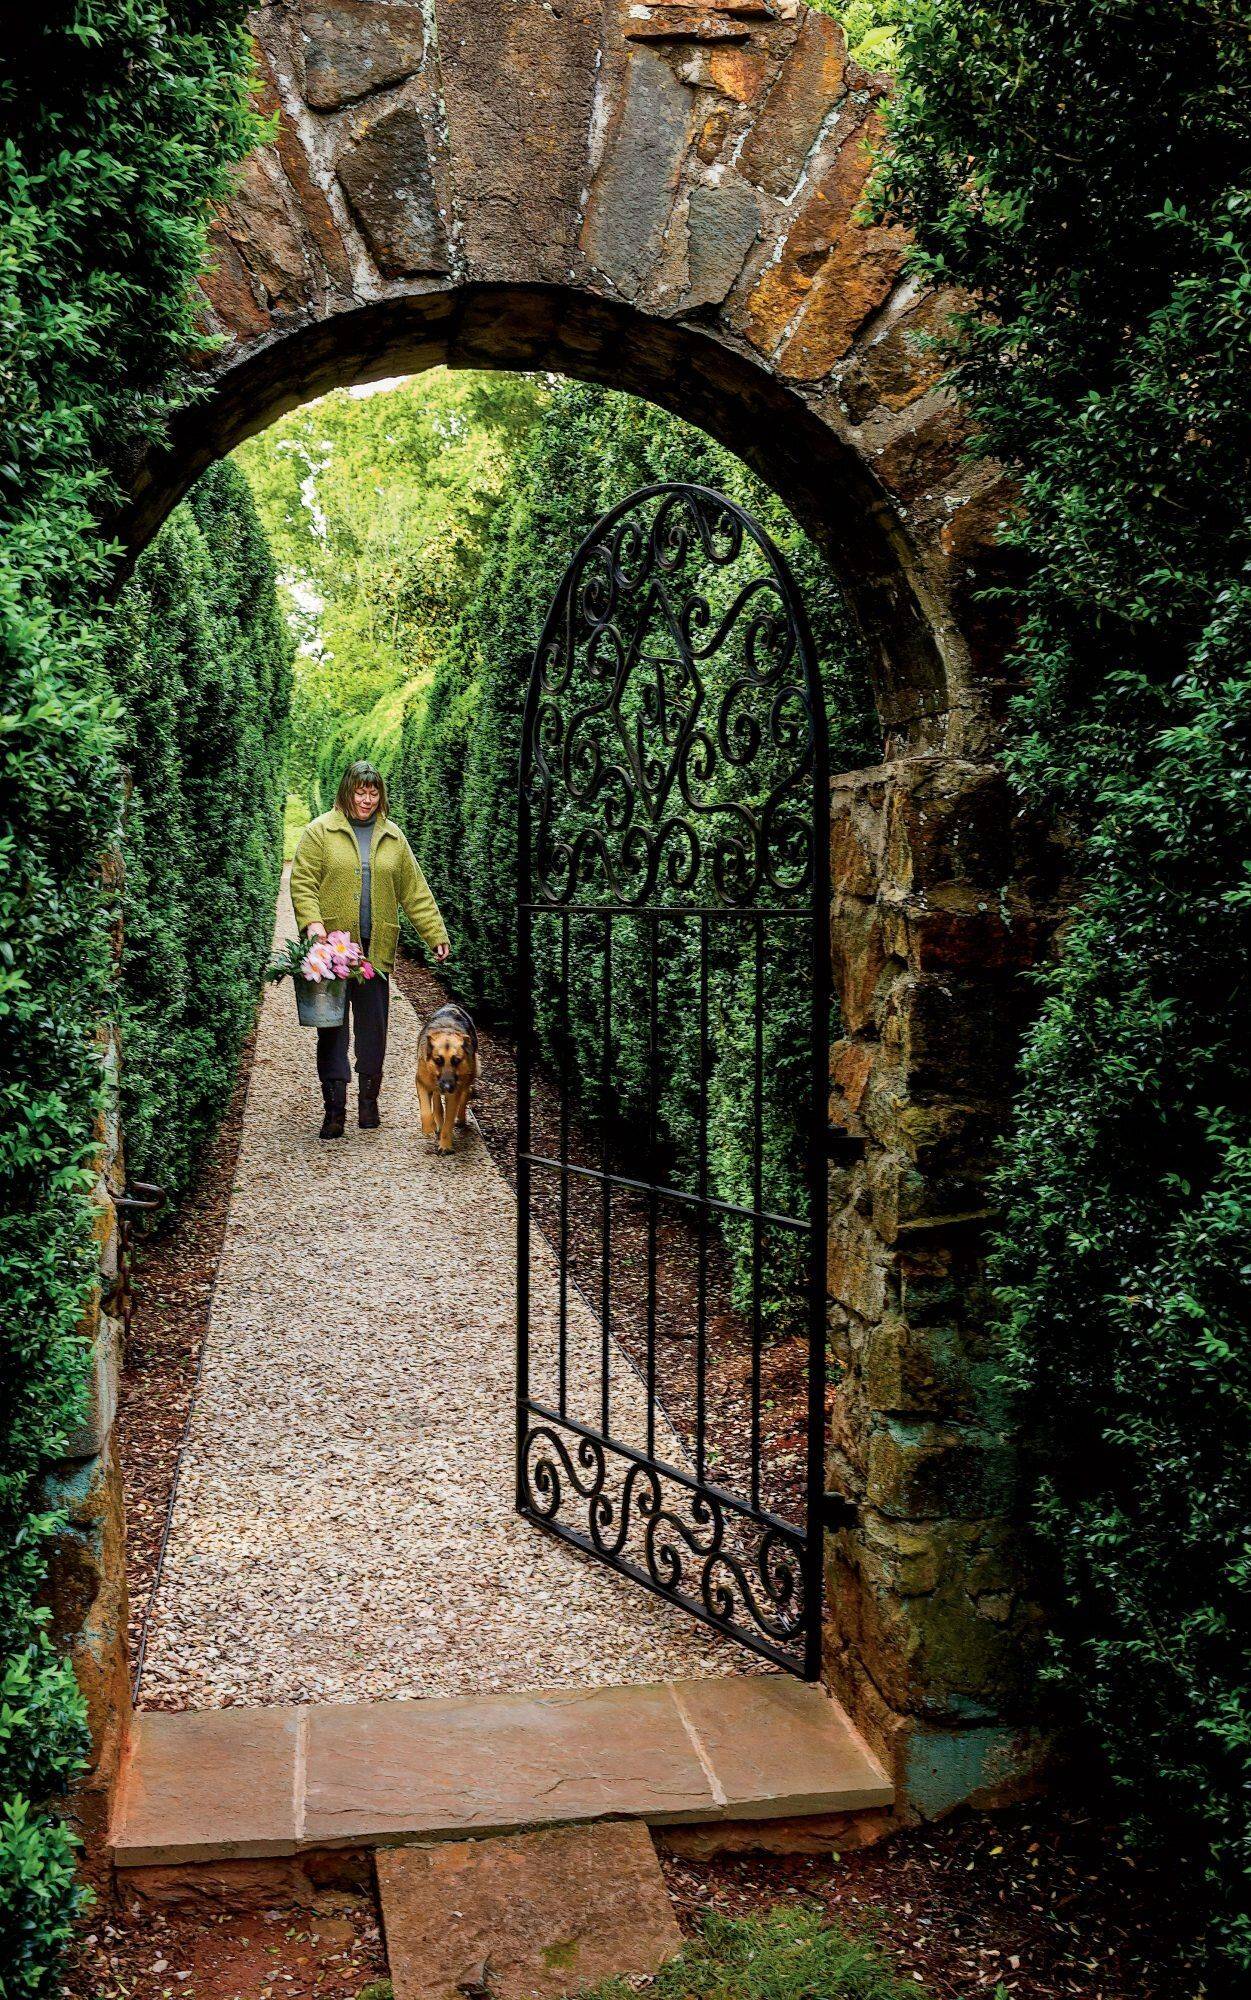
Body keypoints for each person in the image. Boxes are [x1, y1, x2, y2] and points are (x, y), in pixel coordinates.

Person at [290, 760, 450, 1139]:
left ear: (381, 795)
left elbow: (415, 891)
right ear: (347, 791)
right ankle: (334, 1110)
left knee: (373, 1031)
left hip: (374, 953)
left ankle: (368, 1102)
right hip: (332, 954)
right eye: (360, 792)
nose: (366, 799)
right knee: (332, 1031)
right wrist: (313, 923)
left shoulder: (393, 837)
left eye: (373, 792)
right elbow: (303, 880)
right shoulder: (320, 831)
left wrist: (435, 933)